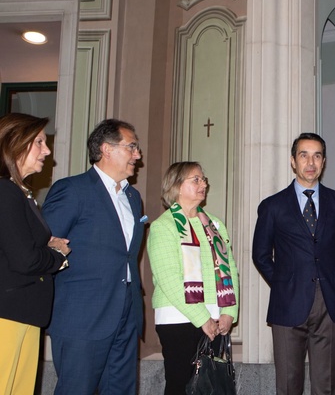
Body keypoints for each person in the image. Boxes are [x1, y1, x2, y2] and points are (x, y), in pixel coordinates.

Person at [43, 119, 145, 395]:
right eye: (132, 147)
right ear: (106, 149)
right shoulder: (72, 190)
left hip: (125, 312)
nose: (138, 155)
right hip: (82, 316)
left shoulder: (133, 198)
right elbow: (44, 248)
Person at [252, 133, 335, 395]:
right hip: (286, 302)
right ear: (293, 161)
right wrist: (284, 282)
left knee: (325, 384)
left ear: (324, 162)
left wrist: (327, 276)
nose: (311, 162)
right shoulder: (272, 206)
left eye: (317, 155)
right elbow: (261, 255)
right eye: (304, 155)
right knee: (288, 384)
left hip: (328, 302)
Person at [148, 162, 239, 394]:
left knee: (211, 386)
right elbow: (168, 278)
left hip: (217, 318)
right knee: (182, 385)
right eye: (196, 180)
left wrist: (230, 311)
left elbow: (229, 267)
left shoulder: (214, 225)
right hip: (178, 319)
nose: (204, 184)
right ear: (177, 186)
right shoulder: (164, 227)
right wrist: (202, 318)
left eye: (204, 179)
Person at [0, 113, 70, 395]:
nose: (47, 150)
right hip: (8, 314)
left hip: (23, 314)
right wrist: (57, 255)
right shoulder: (5, 192)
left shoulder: (19, 192)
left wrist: (44, 247)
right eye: (39, 142)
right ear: (15, 144)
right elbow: (24, 259)